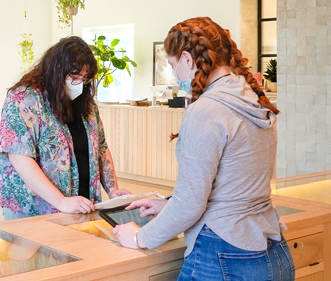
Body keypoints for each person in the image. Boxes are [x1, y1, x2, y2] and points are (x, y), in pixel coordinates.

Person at [113, 17, 293, 281]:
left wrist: (140, 237)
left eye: (173, 65)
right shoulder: (253, 100)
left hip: (224, 253)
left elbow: (191, 203)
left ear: (187, 59)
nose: (175, 75)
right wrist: (168, 205)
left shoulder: (207, 110)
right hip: (272, 251)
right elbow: (232, 185)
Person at [0, 36, 130, 220]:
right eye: (74, 77)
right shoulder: (25, 99)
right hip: (33, 209)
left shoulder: (86, 106)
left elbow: (101, 149)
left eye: (85, 79)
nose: (80, 85)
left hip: (80, 206)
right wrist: (60, 201)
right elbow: (19, 156)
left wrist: (112, 190)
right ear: (56, 70)